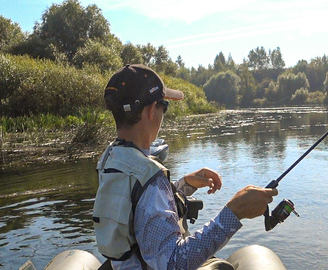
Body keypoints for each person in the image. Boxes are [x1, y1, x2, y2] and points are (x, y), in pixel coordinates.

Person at [93, 64, 278, 270]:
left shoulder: (110, 158)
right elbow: (174, 263)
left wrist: (184, 185)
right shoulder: (151, 179)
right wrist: (234, 212)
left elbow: (135, 209)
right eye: (164, 105)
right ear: (151, 110)